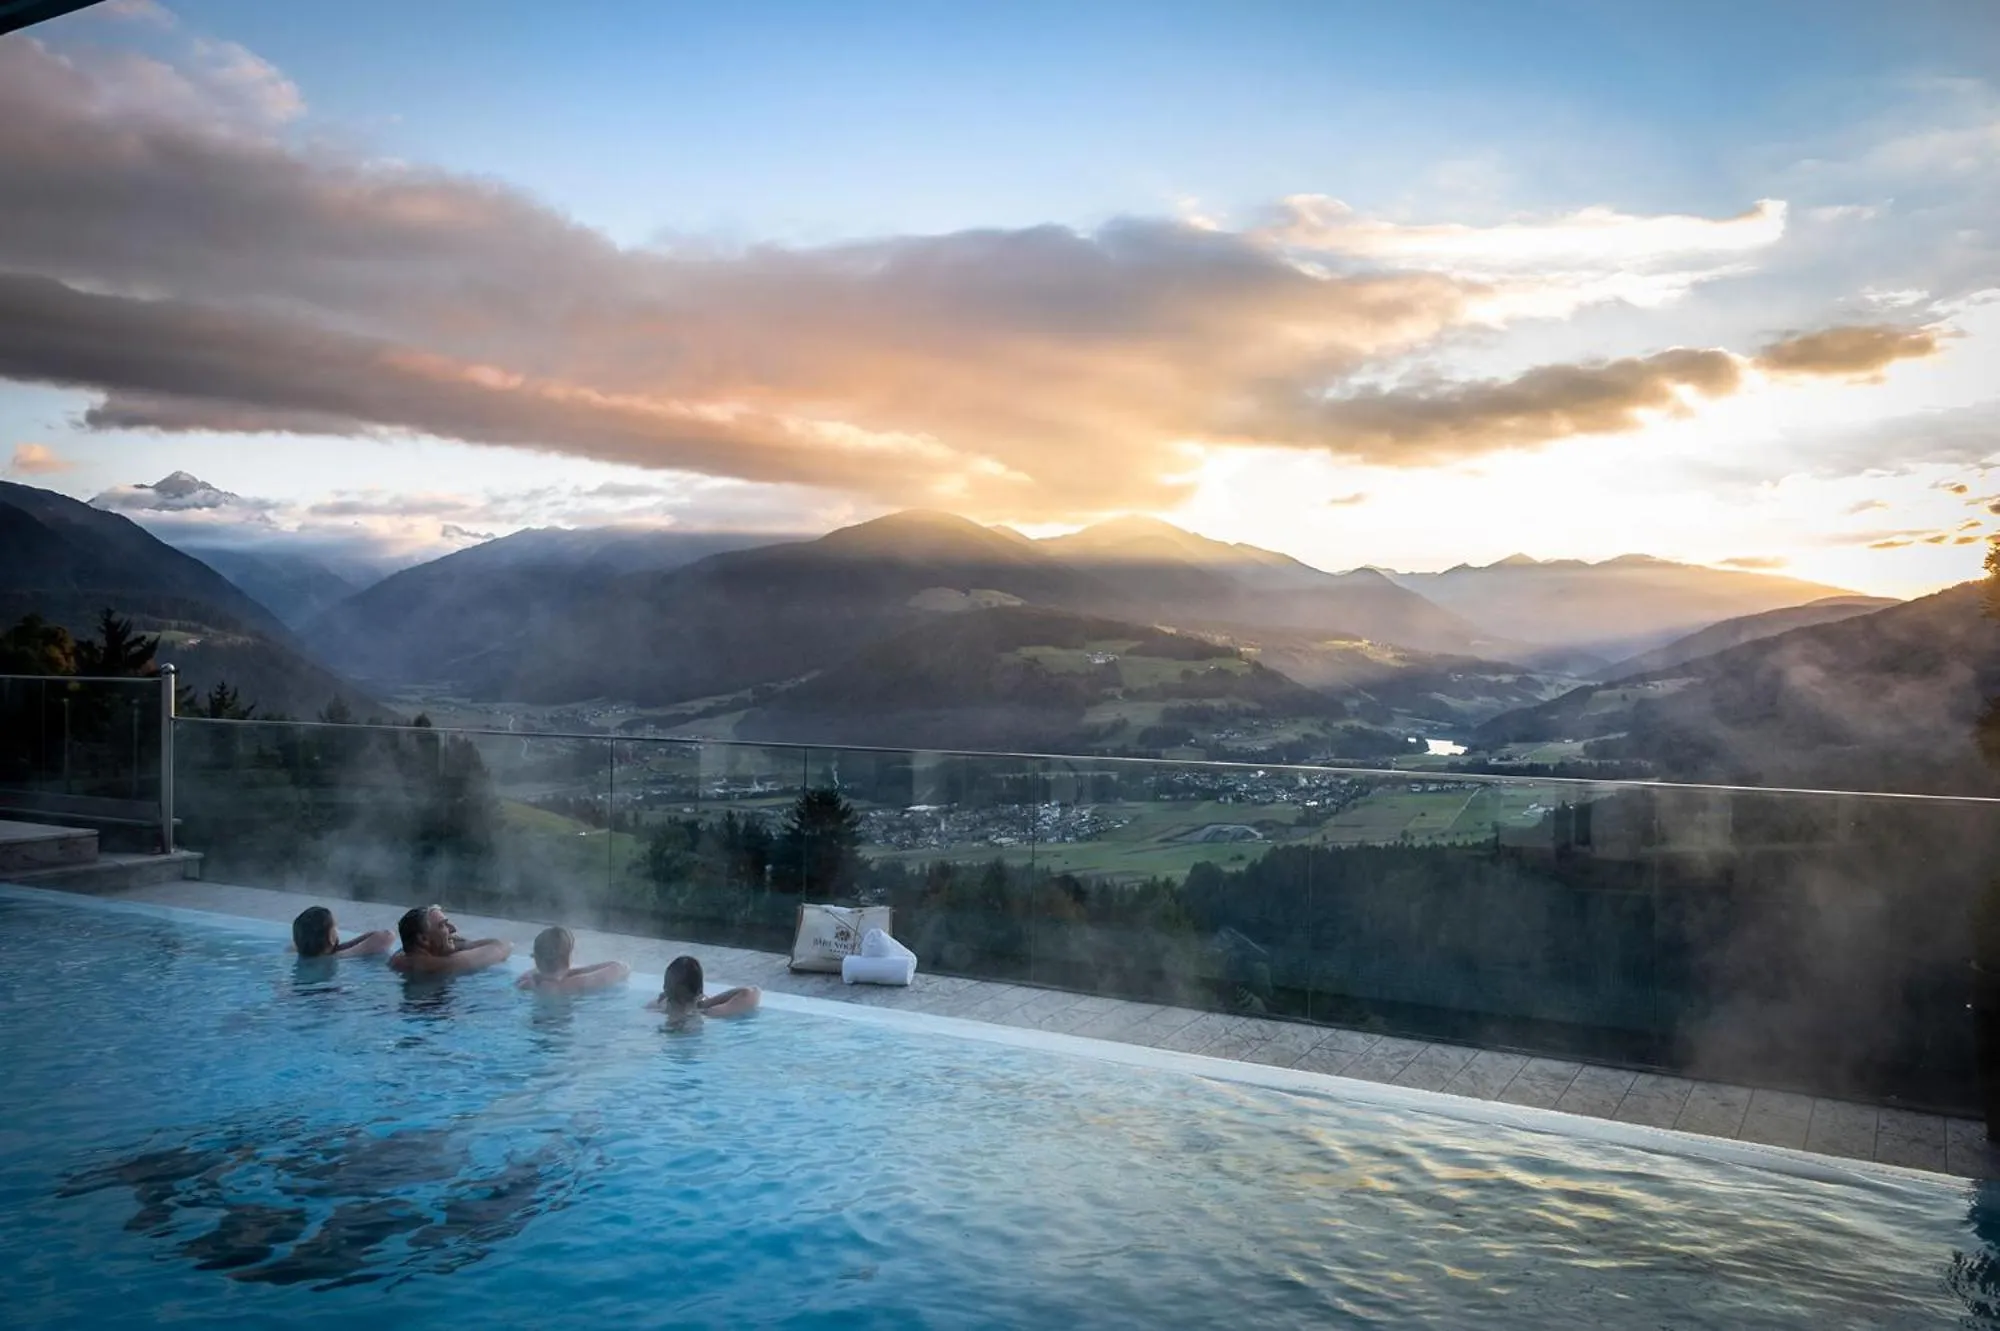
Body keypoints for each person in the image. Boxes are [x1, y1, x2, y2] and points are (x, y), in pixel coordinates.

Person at [389, 904, 512, 977]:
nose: (453, 929)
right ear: (423, 939)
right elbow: (501, 947)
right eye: (443, 925)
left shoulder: (399, 958)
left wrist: (446, 941)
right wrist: (458, 944)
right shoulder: (445, 965)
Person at [645, 955, 759, 1030]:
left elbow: (750, 992)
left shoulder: (657, 1006)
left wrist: (704, 1003)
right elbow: (751, 992)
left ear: (665, 987)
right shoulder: (708, 1014)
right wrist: (706, 1003)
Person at [516, 926, 630, 995]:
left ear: (536, 959)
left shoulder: (528, 983)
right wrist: (578, 971)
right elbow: (621, 968)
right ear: (568, 957)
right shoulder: (574, 984)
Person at [290, 905, 393, 959]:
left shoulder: (297, 951)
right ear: (331, 937)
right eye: (335, 927)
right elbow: (387, 936)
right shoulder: (341, 957)